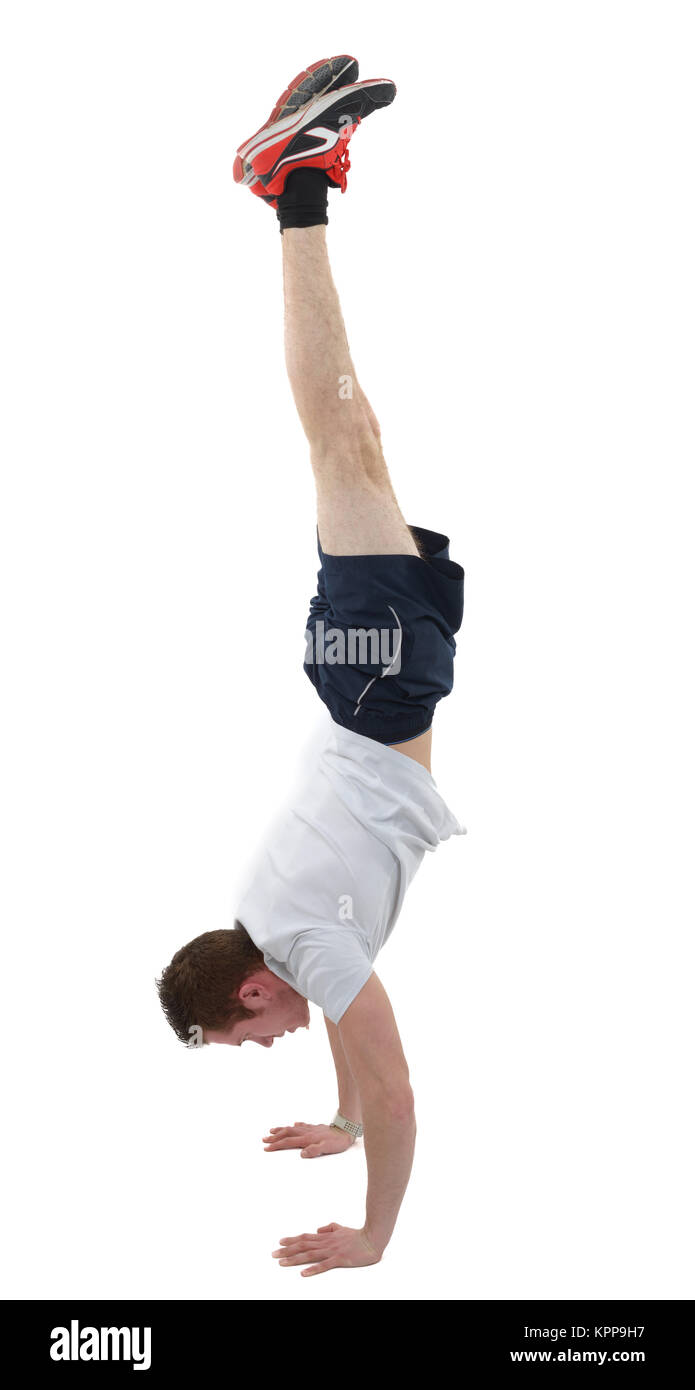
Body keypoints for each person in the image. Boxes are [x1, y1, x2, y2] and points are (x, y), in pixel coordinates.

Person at [157, 55, 465, 1277]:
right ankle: (296, 181)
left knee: (337, 428)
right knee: (355, 436)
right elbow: (349, 1041)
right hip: (360, 684)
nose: (271, 1041)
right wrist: (334, 1119)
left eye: (249, 1040)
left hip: (374, 686)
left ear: (246, 993)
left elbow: (394, 1089)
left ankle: (291, 184)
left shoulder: (305, 948)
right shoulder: (290, 936)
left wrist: (372, 1236)